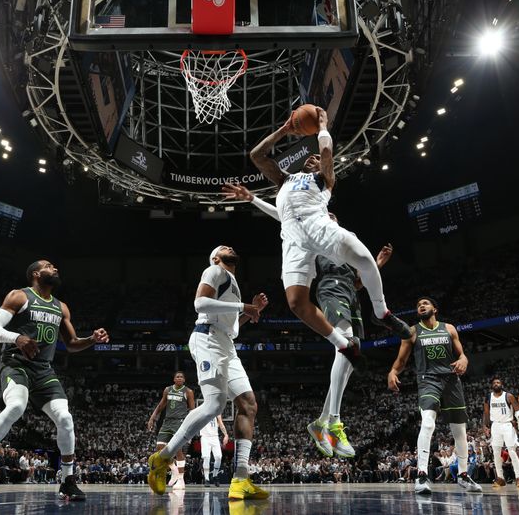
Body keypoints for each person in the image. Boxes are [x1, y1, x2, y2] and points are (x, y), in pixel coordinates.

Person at [221, 182, 390, 458]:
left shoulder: (343, 240)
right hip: (330, 287)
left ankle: (322, 420)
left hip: (348, 292)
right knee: (346, 345)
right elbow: (283, 215)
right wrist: (252, 198)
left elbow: (358, 282)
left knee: (351, 350)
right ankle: (333, 421)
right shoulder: (313, 231)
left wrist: (378, 264)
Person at [248, 106, 410, 357]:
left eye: (316, 160)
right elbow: (257, 155)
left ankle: (381, 312)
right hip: (292, 240)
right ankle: (343, 344)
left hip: (320, 227)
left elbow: (325, 150)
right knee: (296, 304)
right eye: (309, 159)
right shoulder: (284, 180)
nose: (312, 159)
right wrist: (284, 129)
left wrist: (322, 126)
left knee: (366, 261)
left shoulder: (324, 180)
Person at [0, 260, 109, 502]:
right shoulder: (19, 296)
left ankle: (67, 481)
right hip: (16, 364)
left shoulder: (61, 307)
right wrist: (17, 338)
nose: (55, 268)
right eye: (49, 266)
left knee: (65, 418)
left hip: (43, 371)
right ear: (36, 274)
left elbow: (71, 344)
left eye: (55, 266)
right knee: (16, 406)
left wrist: (92, 339)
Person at [147, 246, 270, 501]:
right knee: (215, 405)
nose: (230, 248)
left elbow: (232, 326)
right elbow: (200, 303)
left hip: (226, 343)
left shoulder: (233, 284)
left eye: (231, 247)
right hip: (207, 338)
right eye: (224, 248)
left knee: (248, 404)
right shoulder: (215, 270)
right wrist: (244, 306)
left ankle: (241, 478)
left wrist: (250, 311)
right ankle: (162, 458)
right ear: (215, 258)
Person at [387, 297, 482, 495]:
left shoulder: (449, 328)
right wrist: (393, 372)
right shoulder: (412, 331)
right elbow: (401, 359)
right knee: (428, 423)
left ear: (435, 309)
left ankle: (463, 475)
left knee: (460, 431)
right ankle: (421, 475)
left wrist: (464, 359)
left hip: (451, 381)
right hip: (428, 379)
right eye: (418, 304)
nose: (421, 305)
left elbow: (461, 354)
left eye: (425, 303)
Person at [147, 371, 196, 490]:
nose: (179, 378)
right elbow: (161, 405)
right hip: (167, 422)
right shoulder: (167, 390)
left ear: (184, 380)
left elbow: (193, 410)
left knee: (178, 450)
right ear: (174, 379)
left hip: (180, 422)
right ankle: (174, 470)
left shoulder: (188, 392)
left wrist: (190, 427)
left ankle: (181, 479)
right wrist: (152, 418)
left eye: (181, 377)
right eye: (177, 376)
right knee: (160, 448)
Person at [483, 376, 519, 489]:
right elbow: (486, 413)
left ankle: (518, 477)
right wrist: (485, 426)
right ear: (492, 385)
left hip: (507, 424)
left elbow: (518, 410)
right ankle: (500, 478)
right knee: (496, 452)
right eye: (494, 382)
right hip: (495, 425)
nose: (496, 384)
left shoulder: (508, 396)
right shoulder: (488, 397)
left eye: (498, 382)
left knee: (512, 450)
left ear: (501, 384)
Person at [200, 414, 229, 486]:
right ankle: (206, 479)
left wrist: (226, 435)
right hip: (205, 437)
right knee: (206, 457)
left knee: (219, 456)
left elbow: (221, 423)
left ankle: (215, 476)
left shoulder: (217, 411)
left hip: (215, 437)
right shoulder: (202, 411)